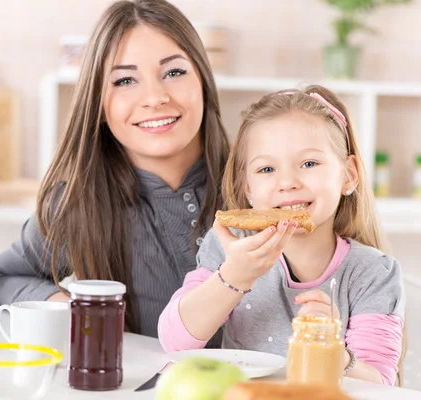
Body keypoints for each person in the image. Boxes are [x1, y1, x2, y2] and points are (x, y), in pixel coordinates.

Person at [0, 0, 230, 339]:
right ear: (98, 104)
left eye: (174, 72)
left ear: (203, 81)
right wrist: (66, 305)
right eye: (125, 80)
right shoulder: (79, 203)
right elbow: (3, 279)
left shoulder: (261, 186)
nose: (154, 97)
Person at [158, 85, 406, 385]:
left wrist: (330, 347)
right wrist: (234, 276)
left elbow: (380, 384)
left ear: (349, 175)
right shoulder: (231, 246)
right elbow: (175, 342)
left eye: (309, 163)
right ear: (248, 188)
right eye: (266, 169)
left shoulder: (373, 273)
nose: (287, 182)